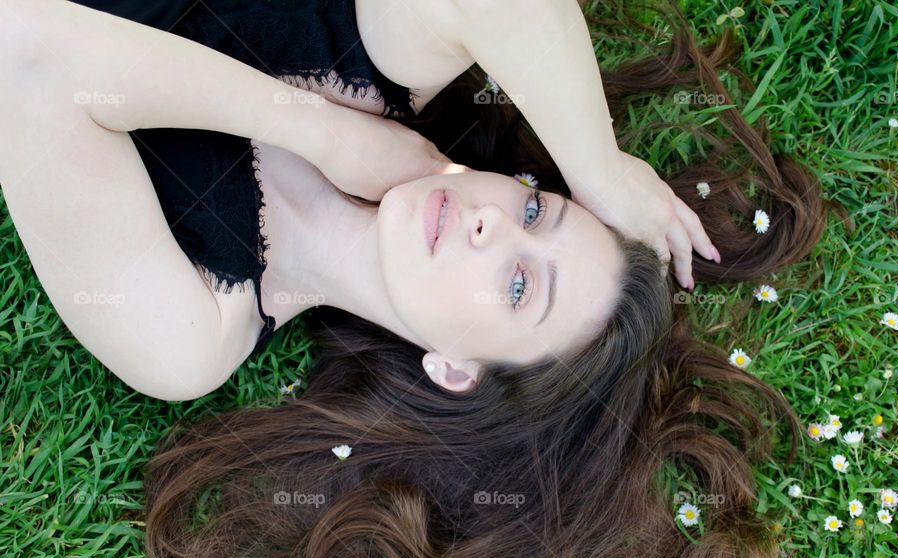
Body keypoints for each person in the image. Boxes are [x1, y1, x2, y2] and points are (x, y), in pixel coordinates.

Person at [0, 0, 716, 401]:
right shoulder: (392, 67)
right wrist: (602, 175)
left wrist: (319, 133)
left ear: (455, 366)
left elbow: (24, 51)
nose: (490, 222)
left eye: (519, 282)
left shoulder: (189, 338)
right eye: (536, 210)